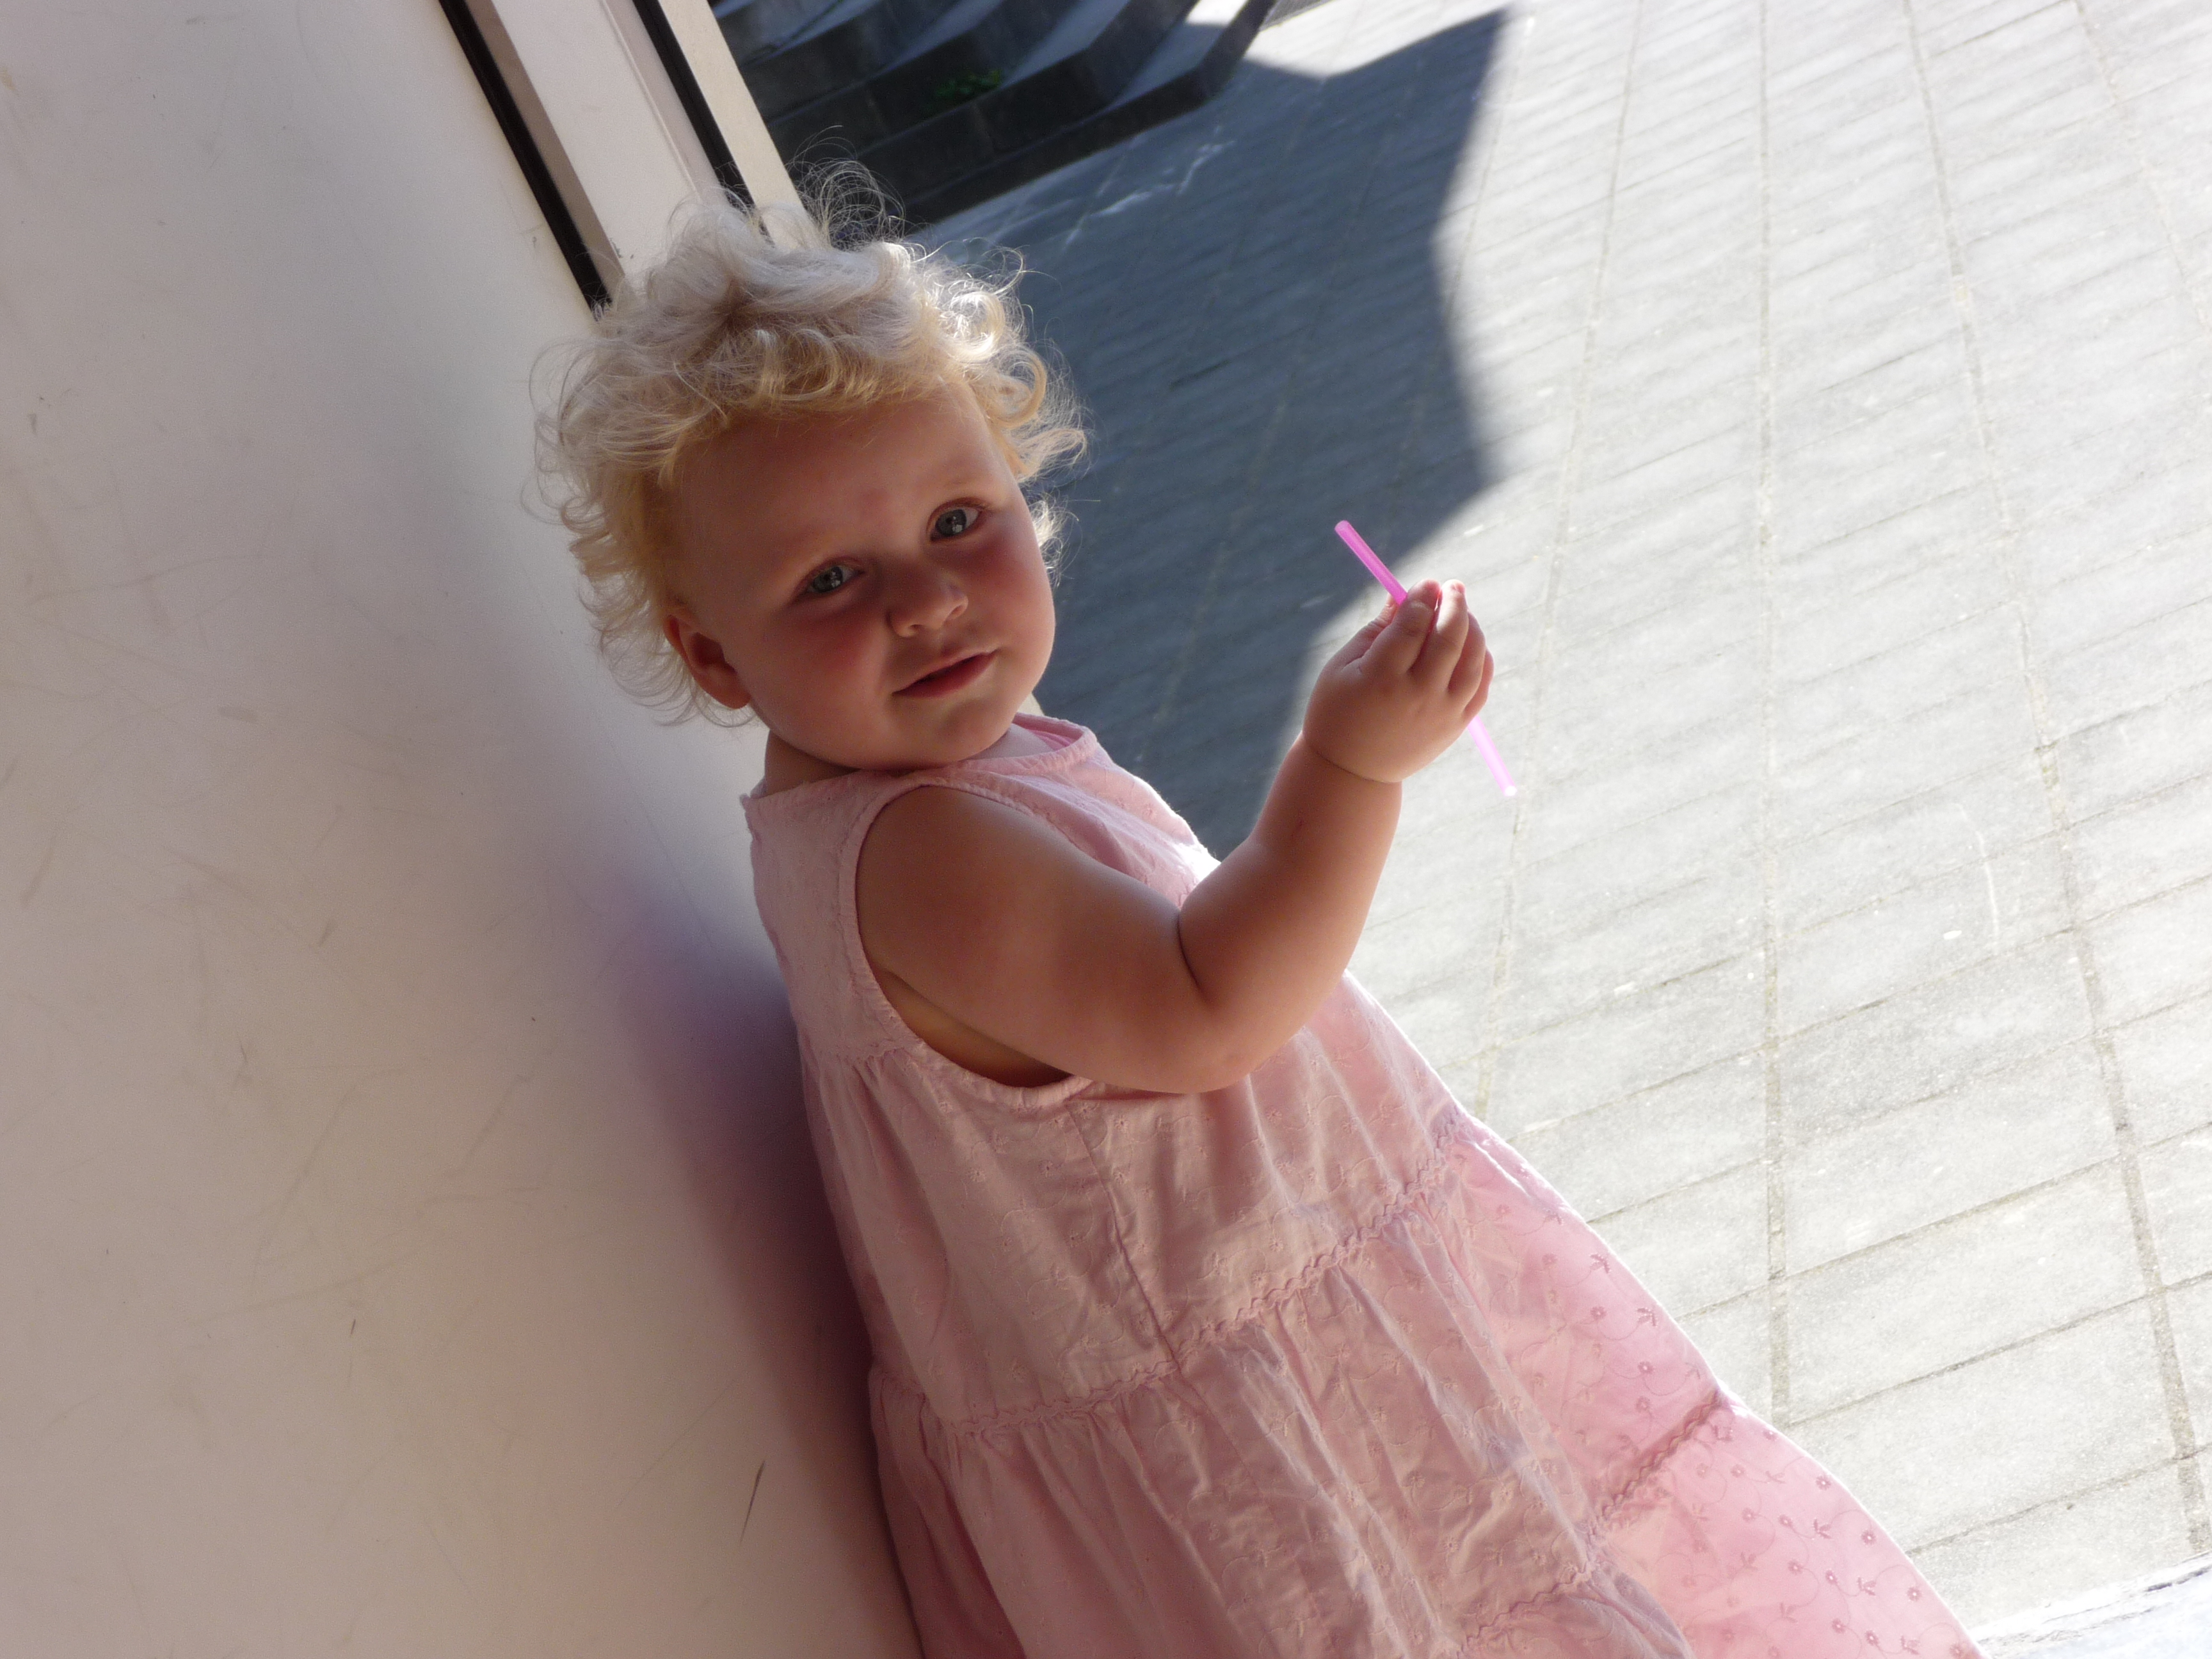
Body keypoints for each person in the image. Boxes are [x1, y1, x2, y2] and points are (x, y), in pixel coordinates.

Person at [541, 188, 1980, 1659]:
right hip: (1254, 1445)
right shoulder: (919, 851)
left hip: (1279, 1340)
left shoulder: (924, 784)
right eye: (833, 580)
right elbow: (1201, 1005)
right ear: (716, 658)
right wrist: (1347, 769)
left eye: (958, 521)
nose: (926, 602)